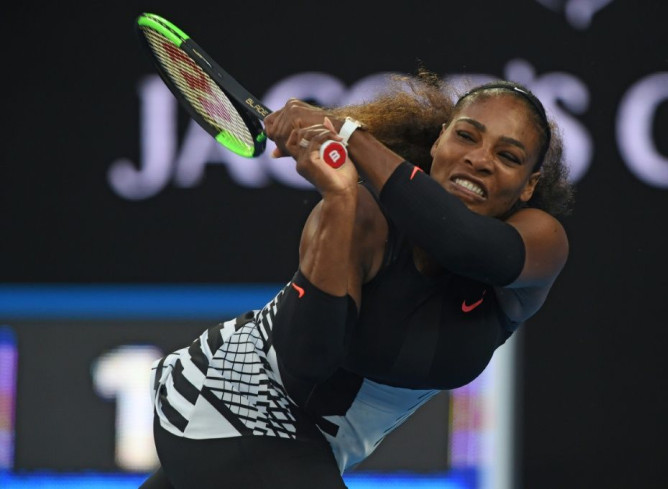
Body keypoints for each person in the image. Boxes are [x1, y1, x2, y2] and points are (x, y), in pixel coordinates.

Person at [139, 72, 574, 489]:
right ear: (439, 140)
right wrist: (341, 200)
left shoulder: (540, 243)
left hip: (302, 450)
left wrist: (350, 135)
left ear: (529, 185)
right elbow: (307, 359)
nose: (479, 159)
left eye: (508, 156)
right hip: (226, 396)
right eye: (466, 136)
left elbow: (462, 245)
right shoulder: (364, 218)